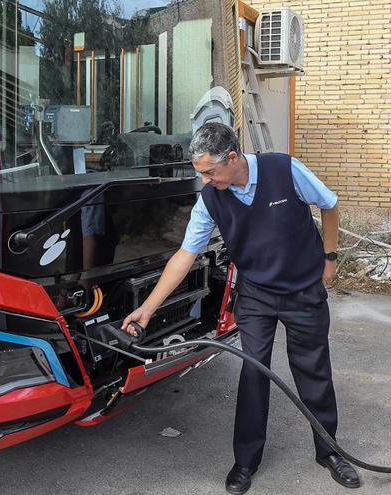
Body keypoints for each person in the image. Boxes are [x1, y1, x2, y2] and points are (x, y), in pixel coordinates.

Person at [122, 123, 360, 494]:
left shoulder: (284, 169)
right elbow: (186, 254)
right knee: (253, 373)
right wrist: (148, 309)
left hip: (303, 292)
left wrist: (330, 258)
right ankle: (246, 460)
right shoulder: (211, 198)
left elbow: (329, 204)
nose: (204, 179)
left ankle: (330, 452)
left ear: (232, 158)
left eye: (209, 171)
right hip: (256, 296)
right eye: (200, 172)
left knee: (313, 372)